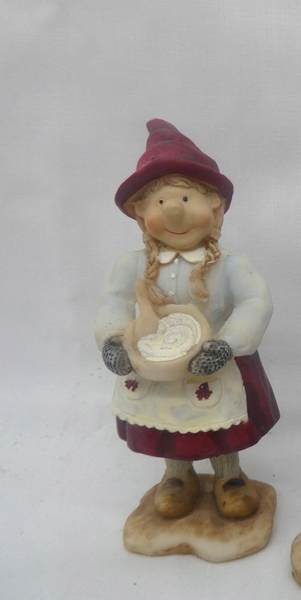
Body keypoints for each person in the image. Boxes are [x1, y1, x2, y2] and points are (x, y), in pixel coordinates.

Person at [95, 119, 279, 519]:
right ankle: (177, 476)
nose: (174, 212)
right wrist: (113, 339)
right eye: (161, 202)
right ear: (141, 213)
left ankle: (229, 475)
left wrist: (226, 344)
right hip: (152, 363)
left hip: (211, 362)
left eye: (184, 198)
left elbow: (255, 303)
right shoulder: (131, 265)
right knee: (165, 420)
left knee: (218, 422)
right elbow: (114, 302)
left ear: (215, 206)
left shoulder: (231, 265)